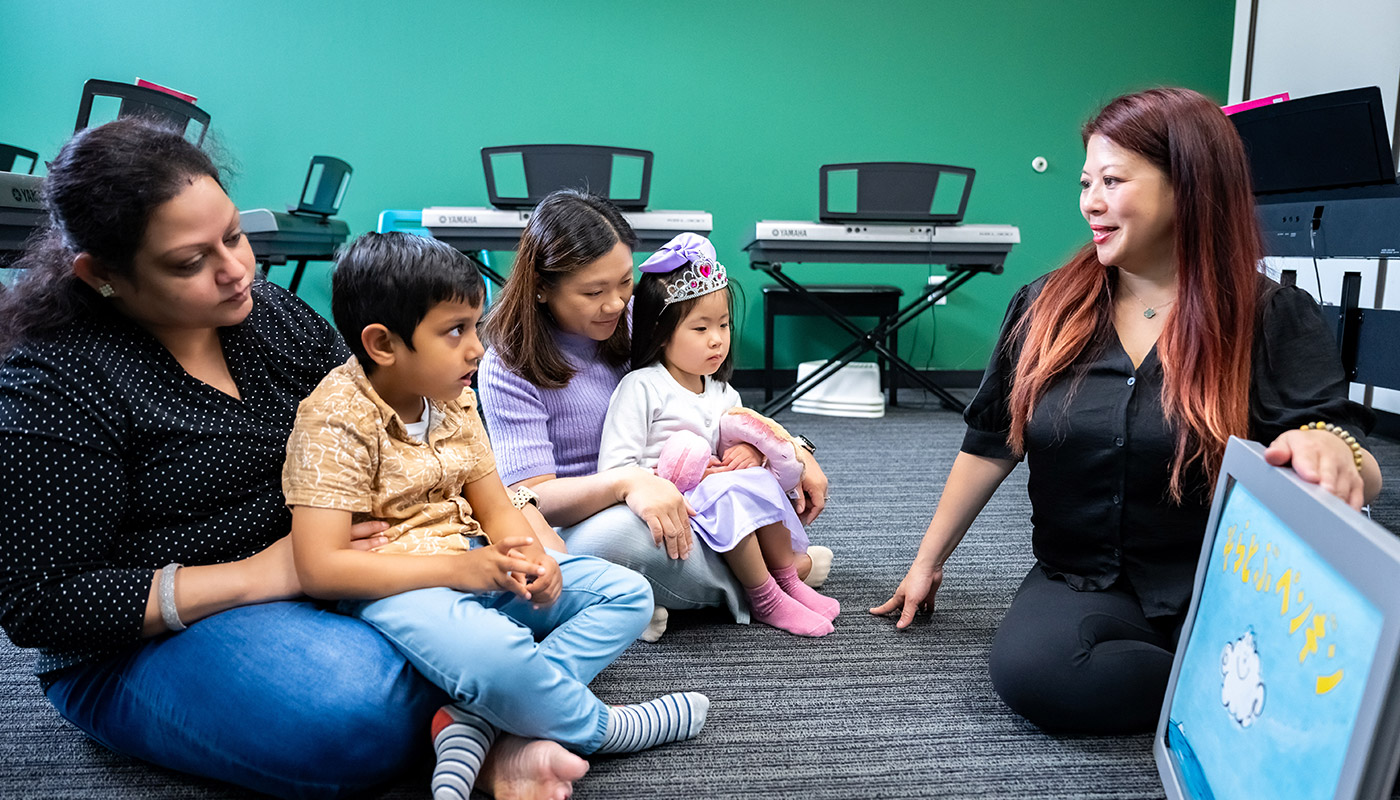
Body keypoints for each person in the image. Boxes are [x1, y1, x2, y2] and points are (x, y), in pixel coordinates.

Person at [0, 118, 592, 800]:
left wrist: (504, 522)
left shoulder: (271, 316)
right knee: (352, 707)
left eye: (234, 234)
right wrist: (266, 575)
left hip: (335, 572)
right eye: (190, 263)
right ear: (102, 274)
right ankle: (495, 724)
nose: (235, 270)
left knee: (576, 589)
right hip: (162, 632)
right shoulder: (54, 382)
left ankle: (472, 723)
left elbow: (386, 420)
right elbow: (40, 603)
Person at [872, 87, 1382, 735]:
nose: (1090, 201)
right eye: (1087, 181)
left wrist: (1337, 452)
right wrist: (927, 560)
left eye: (1113, 181)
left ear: (1190, 187)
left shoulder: (1270, 314)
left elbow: (1350, 453)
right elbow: (991, 442)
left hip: (1223, 578)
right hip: (1083, 577)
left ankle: (1244, 672)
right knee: (1037, 674)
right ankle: (1238, 685)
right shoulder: (1044, 307)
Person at [285, 231, 710, 799]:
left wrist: (529, 555)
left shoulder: (453, 394)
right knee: (495, 652)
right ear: (383, 344)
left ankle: (478, 719)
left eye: (475, 327)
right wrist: (459, 572)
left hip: (473, 561)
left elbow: (495, 501)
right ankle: (599, 727)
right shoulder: (334, 419)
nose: (476, 349)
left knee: (627, 594)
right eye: (454, 331)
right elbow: (319, 569)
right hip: (400, 582)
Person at [478, 190, 832, 642]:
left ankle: (646, 594)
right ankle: (765, 582)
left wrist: (789, 448)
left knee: (748, 485)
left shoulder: (637, 316)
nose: (615, 304)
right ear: (542, 287)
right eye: (593, 291)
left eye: (624, 282)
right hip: (589, 517)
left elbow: (711, 402)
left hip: (685, 493)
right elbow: (527, 498)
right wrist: (629, 484)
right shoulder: (509, 362)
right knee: (615, 540)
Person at [598, 233, 841, 637]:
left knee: (755, 480)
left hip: (714, 489)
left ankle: (787, 579)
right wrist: (672, 479)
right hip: (672, 500)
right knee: (729, 495)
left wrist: (746, 451)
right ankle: (765, 597)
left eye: (724, 325)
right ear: (661, 333)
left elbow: (730, 438)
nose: (717, 338)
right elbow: (615, 468)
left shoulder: (722, 391)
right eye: (700, 328)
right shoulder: (642, 387)